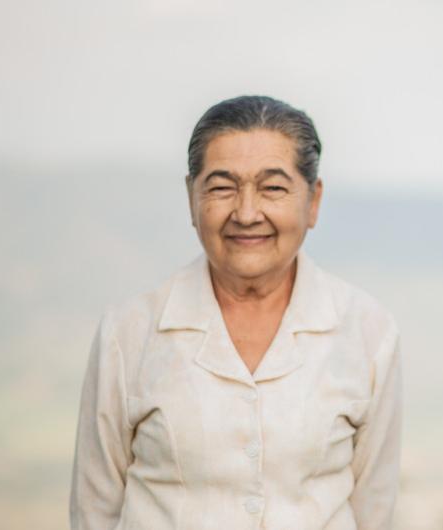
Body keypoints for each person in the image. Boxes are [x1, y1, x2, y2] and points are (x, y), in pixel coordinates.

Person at [70, 95, 402, 529]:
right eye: (222, 187)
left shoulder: (367, 331)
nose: (247, 213)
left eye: (273, 188)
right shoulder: (129, 332)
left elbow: (375, 512)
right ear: (192, 198)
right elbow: (94, 511)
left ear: (313, 201)